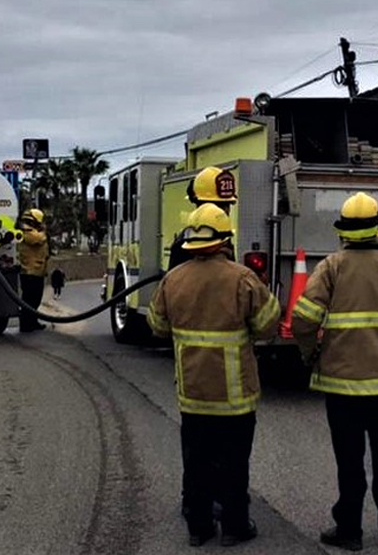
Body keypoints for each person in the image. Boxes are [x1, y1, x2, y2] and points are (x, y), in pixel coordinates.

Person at [291, 192, 378, 551]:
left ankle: (349, 531)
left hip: (342, 388)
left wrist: (313, 355)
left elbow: (303, 319)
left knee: (349, 462)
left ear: (342, 231)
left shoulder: (331, 267)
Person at [147, 203, 281, 547]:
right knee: (235, 463)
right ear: (225, 240)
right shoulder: (243, 279)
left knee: (196, 461)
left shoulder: (172, 280)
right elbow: (267, 326)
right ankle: (235, 527)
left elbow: (157, 326)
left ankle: (199, 526)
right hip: (236, 397)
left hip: (193, 394)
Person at [166, 166, 237, 272]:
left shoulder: (224, 237)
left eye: (227, 205)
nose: (225, 211)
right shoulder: (184, 243)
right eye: (220, 206)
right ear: (200, 205)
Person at [16, 208, 50, 332]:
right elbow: (38, 239)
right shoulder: (26, 231)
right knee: (29, 299)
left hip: (37, 270)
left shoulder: (32, 230)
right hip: (29, 271)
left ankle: (32, 321)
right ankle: (26, 323)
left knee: (36, 298)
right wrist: (44, 231)